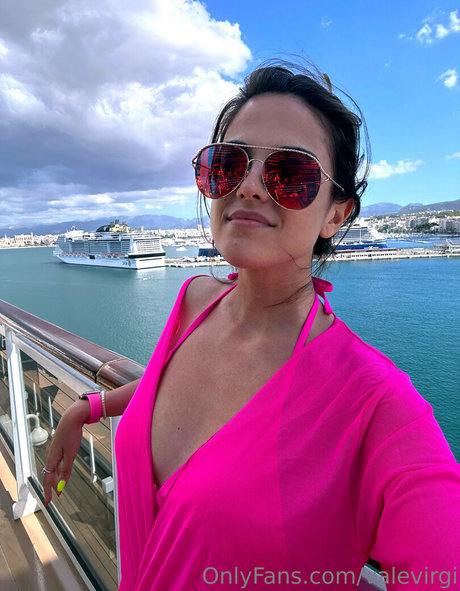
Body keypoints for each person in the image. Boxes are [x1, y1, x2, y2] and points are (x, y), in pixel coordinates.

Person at [43, 62, 460, 590]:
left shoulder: (378, 403)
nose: (249, 187)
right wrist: (87, 408)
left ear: (336, 215)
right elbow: (162, 388)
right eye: (227, 164)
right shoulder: (195, 300)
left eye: (292, 174)